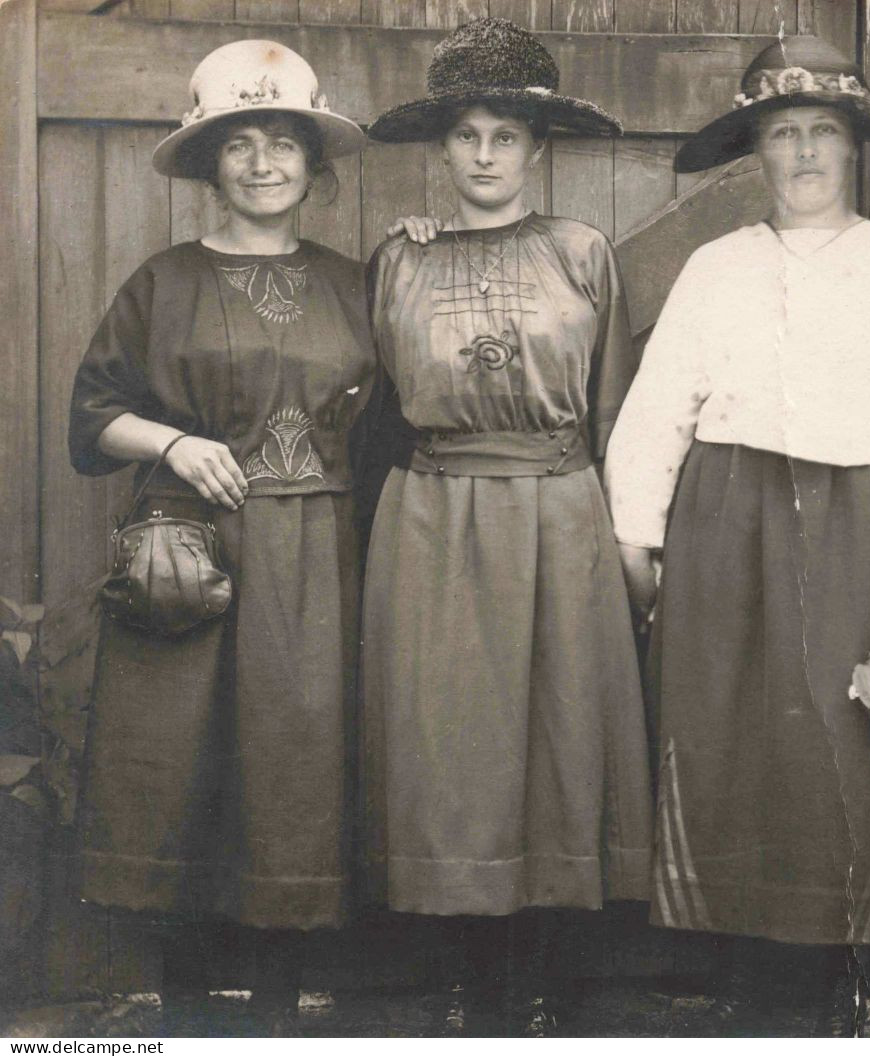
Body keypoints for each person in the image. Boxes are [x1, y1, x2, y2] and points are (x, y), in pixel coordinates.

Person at [603, 36, 870, 1036]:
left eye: (824, 132)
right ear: (757, 153)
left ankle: (840, 971)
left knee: (846, 735)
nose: (806, 154)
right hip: (728, 520)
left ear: (854, 148)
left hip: (863, 518)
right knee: (730, 732)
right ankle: (743, 970)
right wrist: (637, 539)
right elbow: (659, 410)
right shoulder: (714, 266)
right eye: (784, 134)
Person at [67, 41, 371, 1035]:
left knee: (292, 768)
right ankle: (185, 1014)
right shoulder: (165, 281)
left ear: (313, 164)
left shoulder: (355, 283)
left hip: (315, 555)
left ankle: (278, 1012)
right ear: (210, 164)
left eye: (282, 142)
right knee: (175, 767)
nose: (261, 163)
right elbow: (92, 415)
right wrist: (175, 441)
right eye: (237, 145)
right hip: (189, 549)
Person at [361, 18, 652, 1035]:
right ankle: (470, 984)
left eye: (505, 137)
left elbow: (618, 405)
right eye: (467, 136)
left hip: (560, 512)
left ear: (537, 150)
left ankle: (554, 986)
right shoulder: (396, 259)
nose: (484, 156)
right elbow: (370, 414)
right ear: (442, 149)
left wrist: (629, 535)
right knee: (452, 747)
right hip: (434, 518)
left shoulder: (582, 253)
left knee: (561, 733)